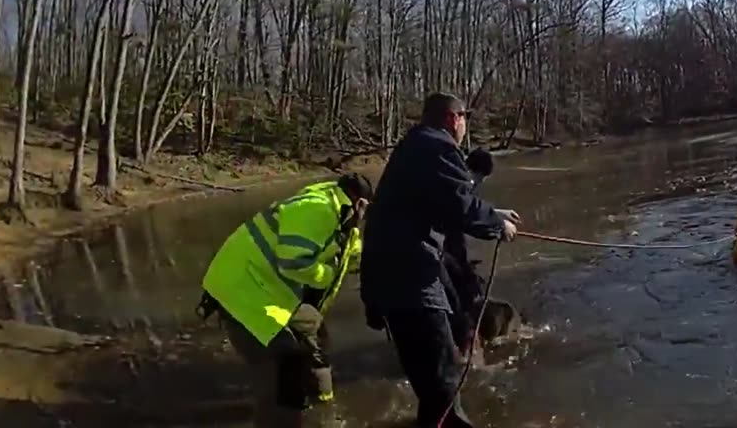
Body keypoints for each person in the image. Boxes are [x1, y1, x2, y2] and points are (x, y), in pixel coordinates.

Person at [360, 93, 520, 428]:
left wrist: (493, 213)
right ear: (453, 118)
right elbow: (461, 206)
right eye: (465, 117)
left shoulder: (414, 147)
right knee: (444, 383)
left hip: (390, 282)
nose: (466, 124)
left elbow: (443, 206)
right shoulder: (438, 147)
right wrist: (497, 226)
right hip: (412, 283)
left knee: (433, 389)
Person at [197, 173, 373, 428]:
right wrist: (328, 275)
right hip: (243, 292)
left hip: (268, 289)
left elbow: (353, 257)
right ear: (361, 204)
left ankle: (322, 407)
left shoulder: (344, 220)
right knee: (282, 374)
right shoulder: (318, 209)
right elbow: (293, 263)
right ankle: (284, 416)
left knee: (314, 334)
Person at [440, 148, 496, 357]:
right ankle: (468, 351)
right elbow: (464, 214)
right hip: (441, 252)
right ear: (476, 172)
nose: (478, 183)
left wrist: (496, 215)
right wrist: (498, 226)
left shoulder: (447, 175)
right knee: (465, 298)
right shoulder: (459, 181)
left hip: (440, 249)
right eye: (480, 178)